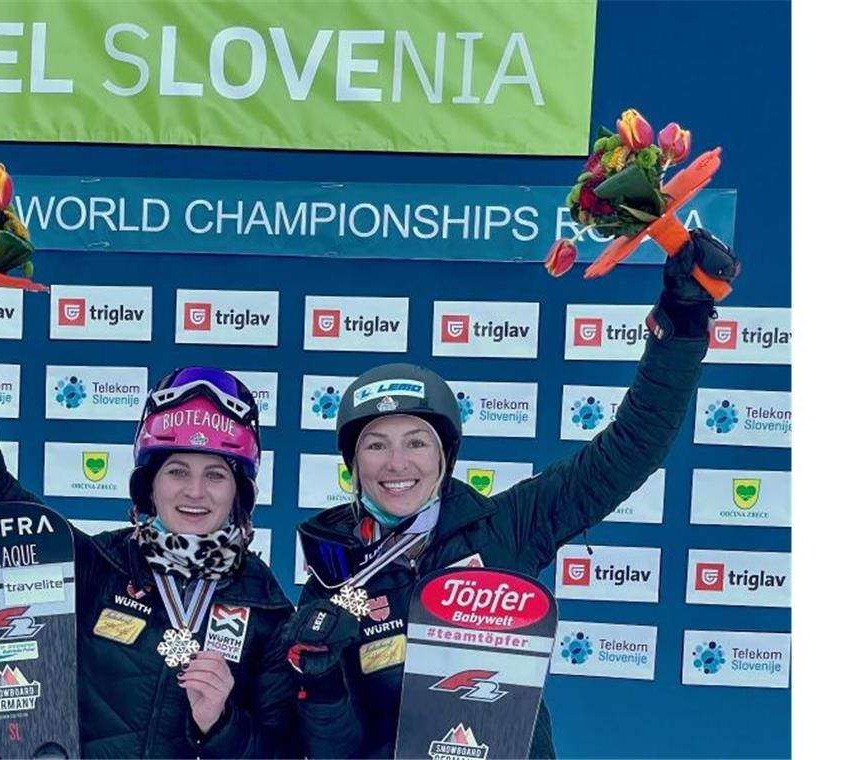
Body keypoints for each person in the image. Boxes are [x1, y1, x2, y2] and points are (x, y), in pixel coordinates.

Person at [284, 228, 741, 759]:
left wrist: (681, 322)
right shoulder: (332, 573)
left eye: (416, 442)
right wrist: (318, 684)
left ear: (444, 457)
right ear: (353, 464)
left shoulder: (506, 525)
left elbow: (631, 449)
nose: (397, 463)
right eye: (375, 445)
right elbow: (333, 748)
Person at [0, 294, 299, 759]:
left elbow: (285, 751)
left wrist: (222, 723)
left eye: (215, 475)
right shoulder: (96, 565)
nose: (195, 491)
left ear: (238, 492)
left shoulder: (266, 607)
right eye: (176, 471)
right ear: (149, 485)